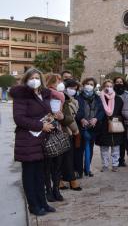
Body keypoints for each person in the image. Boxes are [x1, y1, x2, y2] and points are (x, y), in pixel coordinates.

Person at [10, 68, 56, 216]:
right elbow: (19, 118)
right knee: (30, 175)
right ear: (26, 79)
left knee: (41, 174)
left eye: (37, 77)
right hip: (27, 139)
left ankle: (42, 202)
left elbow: (46, 114)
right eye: (32, 77)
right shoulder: (21, 95)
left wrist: (55, 116)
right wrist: (40, 125)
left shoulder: (44, 94)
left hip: (42, 139)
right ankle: (33, 205)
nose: (34, 80)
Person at [44, 74, 66, 202]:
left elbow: (61, 114)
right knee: (48, 164)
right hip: (46, 131)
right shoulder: (44, 95)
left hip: (57, 131)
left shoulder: (59, 98)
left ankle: (56, 189)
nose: (59, 83)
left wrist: (60, 116)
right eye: (58, 81)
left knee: (57, 164)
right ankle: (48, 190)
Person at [76, 77, 104, 177]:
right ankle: (79, 170)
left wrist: (96, 119)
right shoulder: (78, 97)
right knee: (80, 149)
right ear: (83, 85)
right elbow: (76, 111)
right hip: (81, 126)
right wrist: (81, 119)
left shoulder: (97, 97)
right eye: (87, 83)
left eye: (91, 84)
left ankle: (87, 168)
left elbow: (101, 111)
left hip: (93, 127)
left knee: (90, 148)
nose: (89, 86)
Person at [97, 80, 124, 172]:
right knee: (104, 147)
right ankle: (105, 165)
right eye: (106, 86)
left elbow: (122, 112)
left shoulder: (118, 99)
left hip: (115, 124)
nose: (108, 88)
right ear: (103, 87)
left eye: (110, 86)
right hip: (103, 126)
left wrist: (117, 118)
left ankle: (115, 164)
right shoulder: (99, 98)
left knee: (115, 146)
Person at [59, 79, 82, 191]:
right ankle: (63, 180)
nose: (73, 90)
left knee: (69, 156)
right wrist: (76, 131)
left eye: (75, 89)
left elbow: (73, 116)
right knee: (62, 157)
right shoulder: (61, 98)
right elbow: (66, 118)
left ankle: (69, 178)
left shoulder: (74, 101)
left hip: (70, 131)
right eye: (71, 88)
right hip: (62, 129)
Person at [113, 76, 128, 166]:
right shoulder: (111, 93)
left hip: (125, 119)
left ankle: (121, 160)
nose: (119, 83)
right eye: (117, 82)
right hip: (115, 119)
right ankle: (114, 160)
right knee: (116, 140)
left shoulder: (127, 94)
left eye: (121, 82)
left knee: (123, 140)